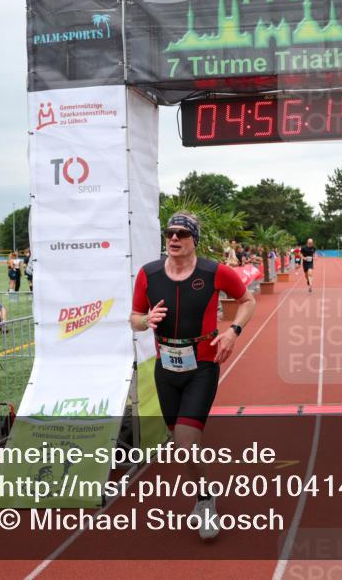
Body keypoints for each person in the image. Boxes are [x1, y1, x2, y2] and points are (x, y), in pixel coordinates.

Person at [130, 212, 255, 541]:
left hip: (202, 364)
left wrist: (233, 332)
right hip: (166, 368)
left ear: (193, 239)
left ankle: (205, 500)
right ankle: (204, 492)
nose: (173, 238)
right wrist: (147, 321)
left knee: (185, 441)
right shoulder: (148, 274)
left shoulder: (215, 272)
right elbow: (134, 318)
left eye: (182, 234)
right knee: (181, 442)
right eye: (170, 233)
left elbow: (247, 300)